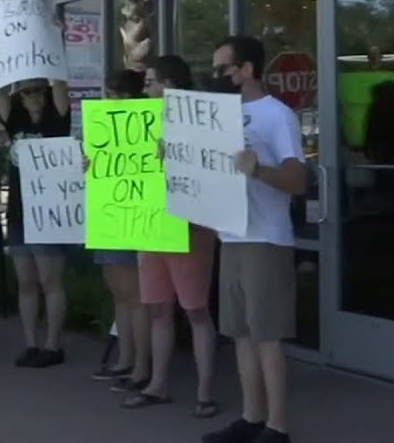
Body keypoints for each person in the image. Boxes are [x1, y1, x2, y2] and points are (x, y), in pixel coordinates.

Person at [203, 36, 306, 443]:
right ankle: (251, 417)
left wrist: (258, 170)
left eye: (223, 68)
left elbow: (297, 180)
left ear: (247, 69)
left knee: (266, 335)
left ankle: (277, 426)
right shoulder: (217, 115)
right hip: (231, 235)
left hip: (265, 238)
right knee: (240, 334)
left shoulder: (276, 115)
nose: (217, 76)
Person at [123, 55, 219, 418]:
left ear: (171, 84)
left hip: (189, 227)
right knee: (158, 309)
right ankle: (157, 384)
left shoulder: (198, 123)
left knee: (195, 310)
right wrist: (96, 165)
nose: (145, 88)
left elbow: (212, 168)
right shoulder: (137, 122)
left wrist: (177, 155)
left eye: (150, 82)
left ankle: (205, 392)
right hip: (150, 226)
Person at [0, 64, 73, 368]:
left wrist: (51, 50)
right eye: (27, 92)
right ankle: (30, 343)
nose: (34, 96)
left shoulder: (57, 120)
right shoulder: (15, 120)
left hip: (49, 211)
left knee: (50, 280)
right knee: (26, 281)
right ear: (20, 96)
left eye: (40, 90)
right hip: (19, 211)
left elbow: (60, 84)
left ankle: (53, 345)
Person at [87, 69, 153, 393]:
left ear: (129, 96)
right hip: (108, 214)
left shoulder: (146, 126)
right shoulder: (105, 127)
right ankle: (125, 358)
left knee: (135, 297)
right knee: (120, 294)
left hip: (132, 216)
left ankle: (141, 365)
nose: (108, 99)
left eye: (114, 94)